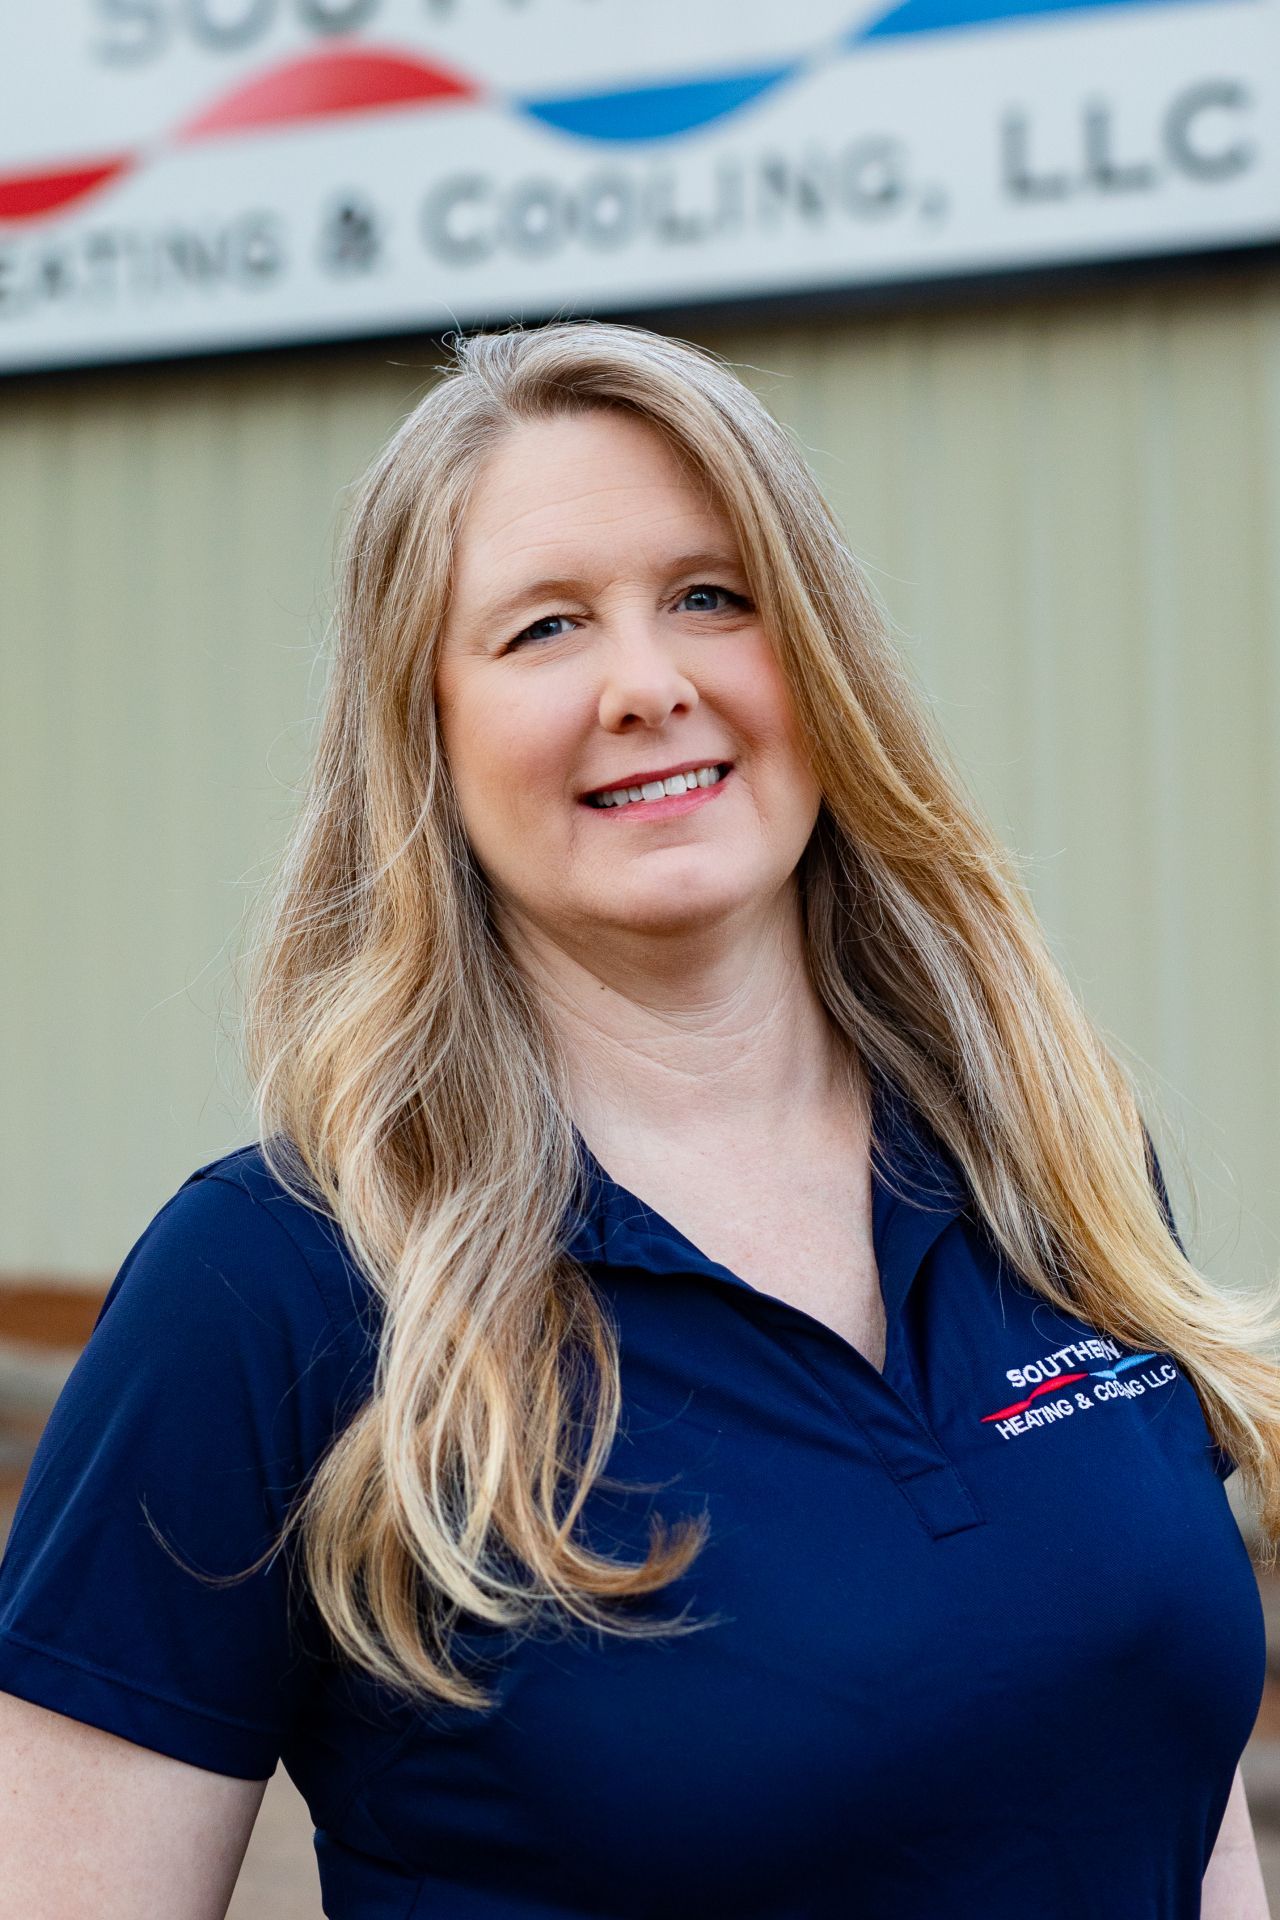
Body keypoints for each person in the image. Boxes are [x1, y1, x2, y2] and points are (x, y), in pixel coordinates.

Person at [0, 320, 1276, 1920]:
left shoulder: (1055, 1164)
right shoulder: (272, 1290)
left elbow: (1181, 1793)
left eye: (710, 596)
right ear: (426, 735)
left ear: (816, 657)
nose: (648, 684)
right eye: (542, 629)